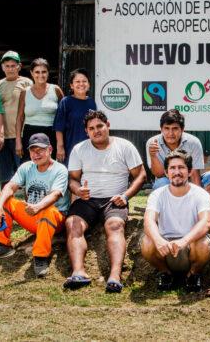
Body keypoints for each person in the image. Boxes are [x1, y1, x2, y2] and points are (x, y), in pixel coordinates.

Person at [64, 110, 146, 292]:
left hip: (114, 199)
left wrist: (125, 196)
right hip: (88, 199)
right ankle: (79, 272)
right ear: (86, 131)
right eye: (91, 128)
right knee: (72, 224)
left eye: (100, 126)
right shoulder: (79, 149)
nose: (96, 131)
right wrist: (78, 190)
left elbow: (140, 175)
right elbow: (73, 179)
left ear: (108, 125)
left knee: (115, 226)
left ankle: (115, 276)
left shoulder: (125, 146)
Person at [0, 133, 70, 278]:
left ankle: (41, 257)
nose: (36, 154)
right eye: (32, 150)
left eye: (40, 150)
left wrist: (38, 207)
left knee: (47, 210)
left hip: (55, 219)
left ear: (50, 149)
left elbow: (55, 195)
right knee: (7, 201)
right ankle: (3, 245)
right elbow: (10, 186)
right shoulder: (26, 167)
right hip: (32, 215)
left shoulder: (60, 170)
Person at [141, 150, 210, 292]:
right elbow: (149, 220)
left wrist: (184, 241)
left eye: (181, 167)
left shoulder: (200, 194)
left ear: (190, 171)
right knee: (147, 242)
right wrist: (158, 240)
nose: (177, 172)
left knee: (204, 244)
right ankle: (165, 273)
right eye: (172, 168)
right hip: (165, 247)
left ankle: (193, 274)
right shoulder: (157, 195)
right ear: (167, 173)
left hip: (191, 246)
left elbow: (206, 222)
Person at [145, 109, 210, 190]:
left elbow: (194, 174)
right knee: (161, 183)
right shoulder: (152, 143)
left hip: (189, 180)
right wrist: (153, 156)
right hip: (168, 180)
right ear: (161, 129)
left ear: (182, 129)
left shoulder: (193, 142)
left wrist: (196, 196)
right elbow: (159, 175)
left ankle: (206, 202)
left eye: (175, 128)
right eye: (167, 128)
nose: (171, 133)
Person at [0, 51, 33, 184]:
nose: (10, 69)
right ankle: (5, 204)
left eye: (13, 65)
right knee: (3, 176)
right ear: (2, 67)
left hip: (20, 135)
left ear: (19, 66)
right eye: (7, 66)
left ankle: (30, 203)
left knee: (26, 173)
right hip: (2, 136)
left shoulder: (27, 83)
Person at [15, 58, 64, 162]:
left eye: (44, 72)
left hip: (51, 135)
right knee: (30, 167)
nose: (40, 75)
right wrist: (18, 141)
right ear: (31, 73)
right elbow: (19, 118)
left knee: (49, 167)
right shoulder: (25, 92)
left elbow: (63, 117)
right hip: (30, 135)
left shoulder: (56, 90)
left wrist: (61, 144)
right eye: (37, 72)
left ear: (48, 73)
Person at [53, 68, 97, 165]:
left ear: (89, 85)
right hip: (70, 148)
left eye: (84, 81)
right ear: (71, 85)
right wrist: (60, 147)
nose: (81, 84)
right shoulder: (66, 102)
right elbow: (59, 127)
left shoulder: (91, 102)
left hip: (89, 148)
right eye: (77, 81)